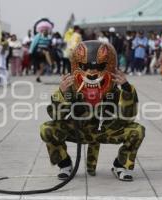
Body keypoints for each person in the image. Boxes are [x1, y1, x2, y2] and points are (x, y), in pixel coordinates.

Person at [40, 41, 145, 182]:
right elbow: (56, 115)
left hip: (105, 130)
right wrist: (61, 93)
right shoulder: (70, 87)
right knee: (47, 129)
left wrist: (126, 89)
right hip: (79, 130)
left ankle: (120, 165)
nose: (91, 72)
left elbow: (128, 117)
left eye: (99, 67)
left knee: (137, 130)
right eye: (85, 67)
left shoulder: (114, 90)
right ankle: (65, 164)